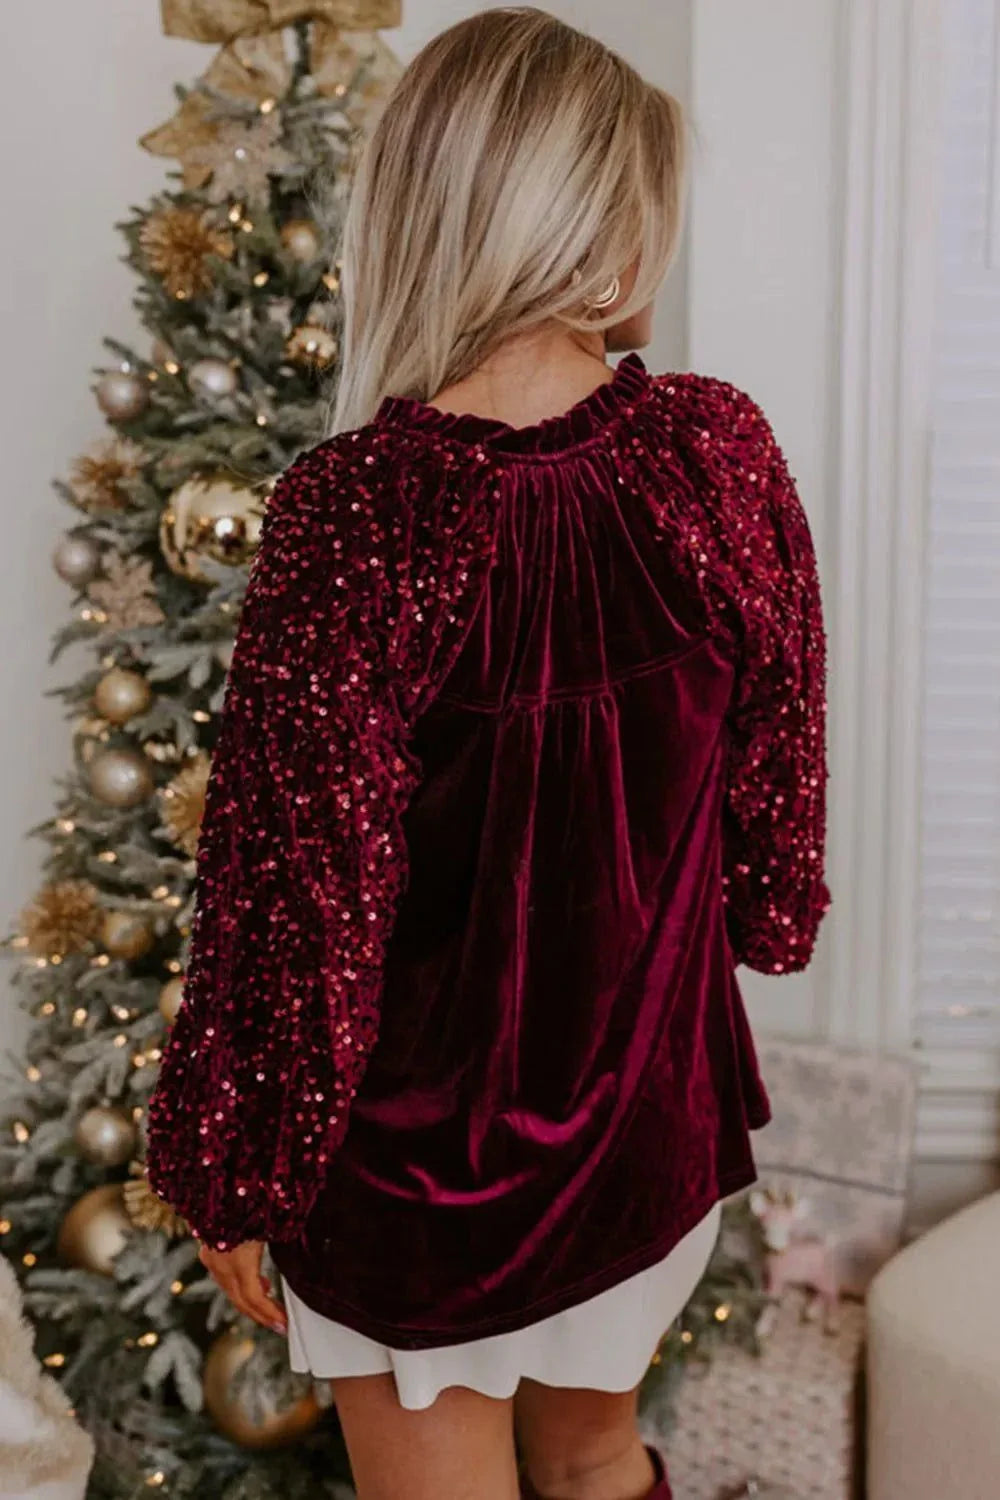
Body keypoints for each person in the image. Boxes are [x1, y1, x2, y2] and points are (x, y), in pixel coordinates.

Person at [145, 8, 832, 1499]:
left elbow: (298, 905)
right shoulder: (718, 451)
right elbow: (780, 769)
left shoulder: (354, 517)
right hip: (648, 1121)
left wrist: (233, 1167)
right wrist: (772, 909)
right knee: (594, 1468)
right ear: (584, 218)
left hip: (421, 1186)